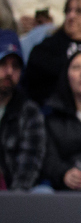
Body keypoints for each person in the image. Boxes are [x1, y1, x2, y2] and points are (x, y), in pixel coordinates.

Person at [41, 49, 81, 190]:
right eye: (76, 67)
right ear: (67, 76)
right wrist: (64, 173)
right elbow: (49, 159)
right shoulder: (52, 118)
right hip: (64, 191)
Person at [0, 30, 46, 191]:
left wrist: (11, 205)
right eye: (3, 64)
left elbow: (29, 165)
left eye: (15, 66)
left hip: (13, 198)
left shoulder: (29, 112)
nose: (9, 72)